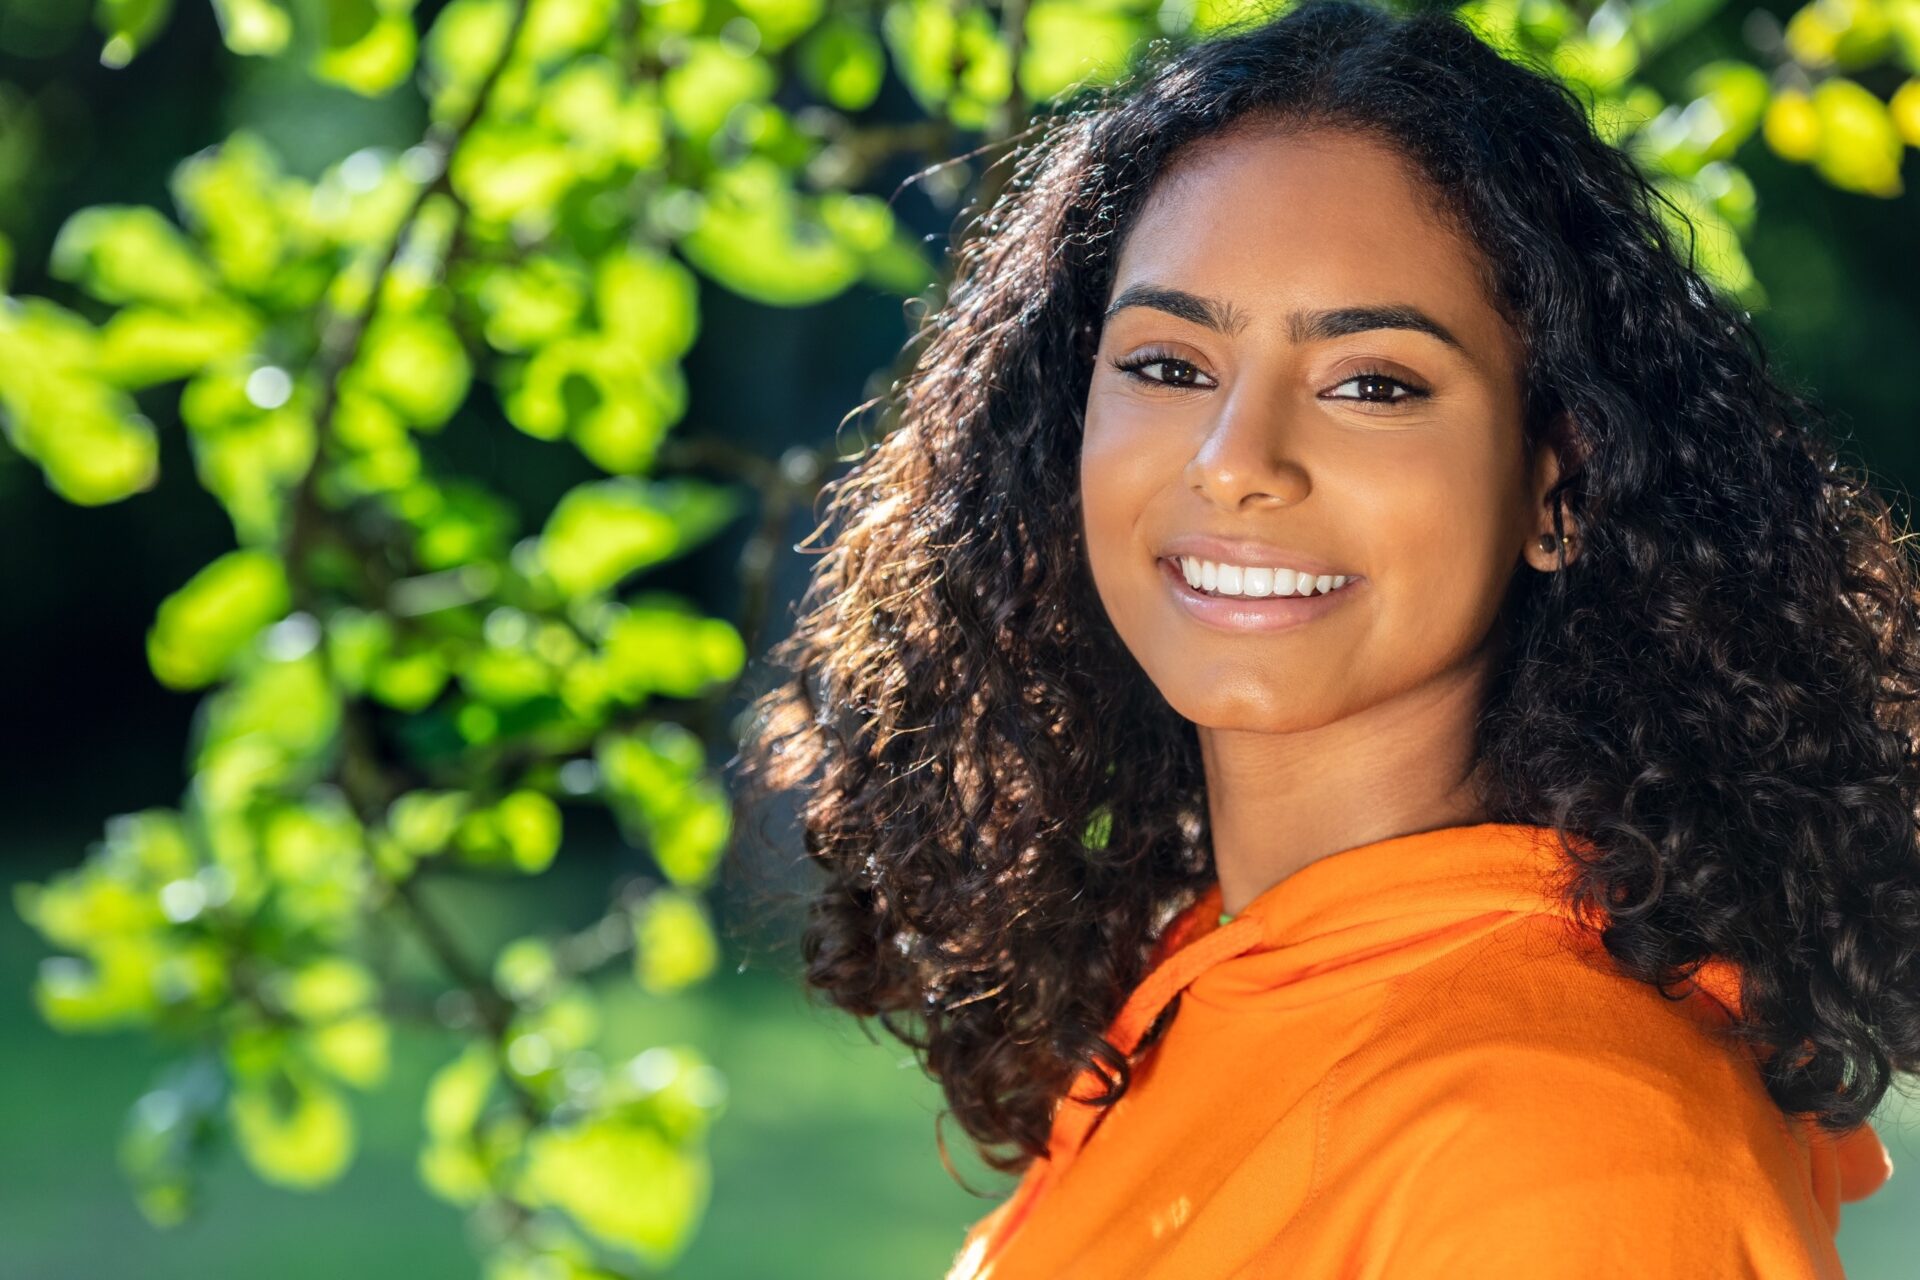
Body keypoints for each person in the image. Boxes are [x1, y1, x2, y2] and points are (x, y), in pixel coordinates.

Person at [730, 0, 1919, 1273]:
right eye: (1169, 364)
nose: (1234, 460)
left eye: (1373, 383)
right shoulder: (1209, 981)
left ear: (1557, 488)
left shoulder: (1573, 1146)